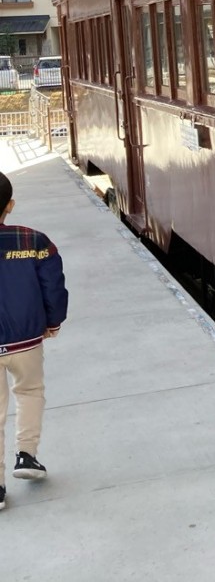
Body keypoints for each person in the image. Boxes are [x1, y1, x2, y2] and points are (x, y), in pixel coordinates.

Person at [0, 170, 68, 511]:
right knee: (29, 392)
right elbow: (53, 286)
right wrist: (53, 321)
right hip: (26, 340)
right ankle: (26, 456)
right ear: (9, 205)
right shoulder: (33, 241)